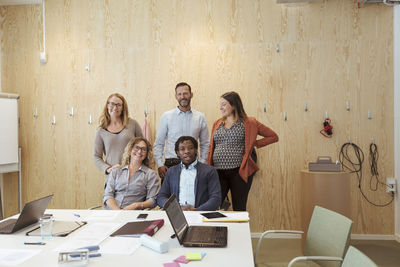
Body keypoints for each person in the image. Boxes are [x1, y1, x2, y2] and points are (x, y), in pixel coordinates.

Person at [207, 91, 279, 211]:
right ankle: (219, 230)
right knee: (215, 207)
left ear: (234, 105)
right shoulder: (217, 123)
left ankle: (239, 230)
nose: (221, 108)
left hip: (239, 172)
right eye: (220, 105)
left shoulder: (250, 122)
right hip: (218, 172)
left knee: (239, 208)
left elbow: (273, 136)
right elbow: (211, 147)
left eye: (224, 104)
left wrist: (254, 144)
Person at [153, 82, 210, 181]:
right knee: (170, 196)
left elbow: (205, 144)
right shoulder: (166, 116)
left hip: (193, 164)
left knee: (192, 196)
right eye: (179, 94)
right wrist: (159, 164)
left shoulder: (200, 117)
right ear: (176, 96)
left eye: (185, 93)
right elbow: (158, 143)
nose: (182, 97)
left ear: (191, 95)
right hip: (171, 164)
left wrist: (203, 163)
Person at [157, 136, 221, 211]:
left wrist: (197, 210)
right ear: (177, 153)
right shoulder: (171, 172)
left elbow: (216, 198)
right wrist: (175, 208)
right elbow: (161, 197)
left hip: (201, 214)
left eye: (190, 148)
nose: (186, 151)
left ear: (196, 150)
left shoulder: (209, 171)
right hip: (177, 214)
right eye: (182, 149)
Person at [94, 93, 143, 180]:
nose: (115, 107)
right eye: (112, 104)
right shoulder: (101, 131)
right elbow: (96, 157)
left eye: (119, 105)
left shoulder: (133, 124)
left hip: (133, 175)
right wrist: (108, 169)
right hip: (113, 177)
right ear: (107, 106)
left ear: (123, 108)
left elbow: (143, 147)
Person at [103, 137, 159, 210]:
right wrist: (118, 211)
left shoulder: (150, 174)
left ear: (147, 154)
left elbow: (152, 200)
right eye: (137, 147)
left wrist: (136, 205)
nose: (139, 151)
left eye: (143, 149)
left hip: (133, 214)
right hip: (111, 212)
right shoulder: (116, 171)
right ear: (130, 150)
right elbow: (108, 196)